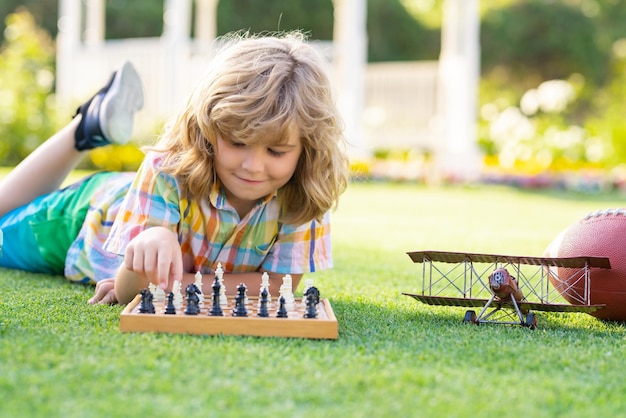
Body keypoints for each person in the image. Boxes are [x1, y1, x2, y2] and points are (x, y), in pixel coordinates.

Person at [0, 31, 349, 305]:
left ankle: (93, 126)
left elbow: (277, 286)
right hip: (88, 217)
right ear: (209, 128)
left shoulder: (304, 194)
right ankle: (86, 127)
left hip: (137, 195)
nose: (253, 166)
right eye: (238, 142)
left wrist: (171, 284)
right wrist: (152, 240)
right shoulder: (165, 169)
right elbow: (133, 291)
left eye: (276, 151)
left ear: (307, 149)